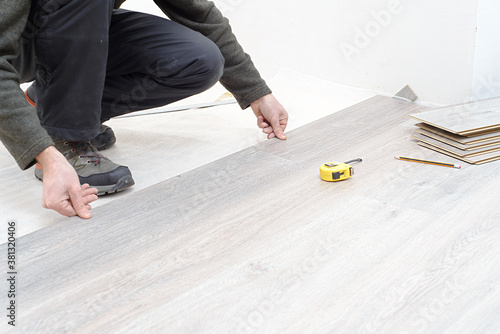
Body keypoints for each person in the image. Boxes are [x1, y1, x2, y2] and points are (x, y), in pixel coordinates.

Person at [0, 0, 288, 219]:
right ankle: (63, 135)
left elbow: (199, 15)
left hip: (79, 29)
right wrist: (44, 153)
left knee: (199, 59)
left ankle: (54, 106)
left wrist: (256, 92)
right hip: (19, 45)